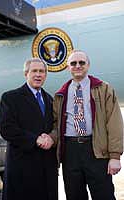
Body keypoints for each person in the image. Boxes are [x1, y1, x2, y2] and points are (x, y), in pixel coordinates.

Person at [53, 50, 123, 200]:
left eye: (81, 63)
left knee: (104, 195)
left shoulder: (104, 89)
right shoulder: (61, 94)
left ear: (88, 65)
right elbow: (56, 125)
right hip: (70, 152)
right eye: (73, 63)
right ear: (68, 67)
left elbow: (114, 122)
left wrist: (115, 156)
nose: (77, 66)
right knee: (74, 195)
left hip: (95, 150)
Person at [0, 58, 58, 200]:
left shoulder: (50, 100)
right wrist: (35, 140)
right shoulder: (11, 98)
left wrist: (51, 137)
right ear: (26, 73)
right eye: (34, 71)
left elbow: (56, 126)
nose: (38, 75)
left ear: (45, 75)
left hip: (46, 169)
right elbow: (7, 129)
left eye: (42, 71)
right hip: (22, 168)